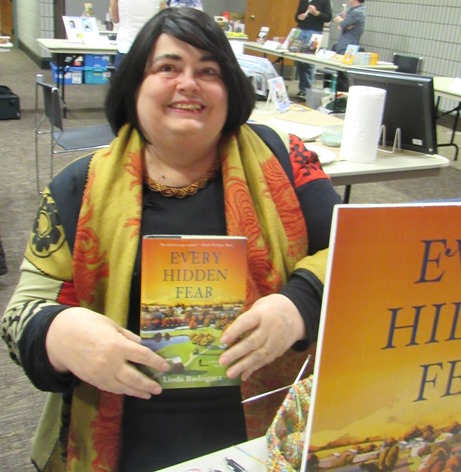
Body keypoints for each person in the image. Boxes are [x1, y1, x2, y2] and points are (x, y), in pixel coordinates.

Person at [1, 8, 341, 472]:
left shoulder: (285, 160)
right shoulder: (77, 188)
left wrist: (298, 305)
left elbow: (356, 253)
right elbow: (20, 314)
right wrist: (60, 335)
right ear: (134, 86)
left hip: (274, 427)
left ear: (231, 89)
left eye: (209, 71)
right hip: (127, 431)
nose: (189, 83)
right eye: (168, 67)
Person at [109, 0, 165, 70]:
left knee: (124, 80)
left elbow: (115, 19)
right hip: (149, 48)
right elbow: (163, 19)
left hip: (126, 47)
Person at [293, 0, 332, 99]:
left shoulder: (324, 1)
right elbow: (297, 15)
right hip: (300, 30)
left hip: (314, 32)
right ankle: (302, 88)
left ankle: (307, 90)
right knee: (299, 60)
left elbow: (328, 17)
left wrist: (316, 13)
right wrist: (299, 17)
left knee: (308, 61)